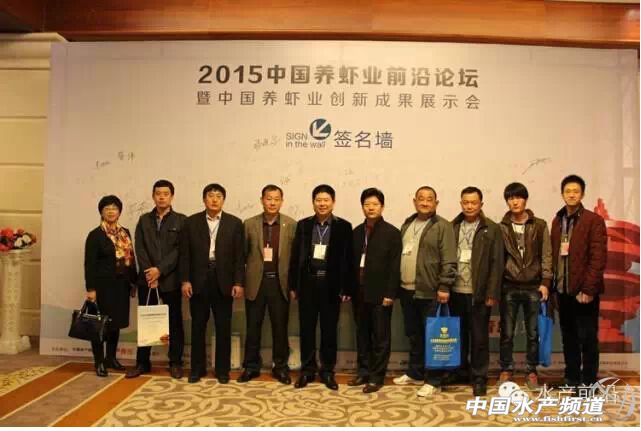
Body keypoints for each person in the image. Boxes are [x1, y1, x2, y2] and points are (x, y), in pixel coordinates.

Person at [393, 186, 457, 397]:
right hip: (407, 289)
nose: (425, 202)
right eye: (421, 198)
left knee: (433, 337)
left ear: (436, 203)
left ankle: (433, 380)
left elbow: (449, 259)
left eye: (430, 199)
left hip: (430, 291)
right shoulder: (407, 224)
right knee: (414, 335)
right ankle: (415, 372)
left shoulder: (443, 226)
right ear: (414, 201)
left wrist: (444, 286)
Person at [289, 184, 354, 390]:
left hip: (331, 285)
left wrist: (346, 288)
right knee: (306, 329)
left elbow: (348, 260)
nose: (322, 204)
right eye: (318, 200)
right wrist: (293, 285)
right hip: (307, 284)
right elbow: (295, 257)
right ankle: (307, 371)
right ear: (313, 203)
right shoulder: (304, 225)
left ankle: (327, 371)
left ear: (333, 203)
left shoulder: (344, 226)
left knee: (329, 330)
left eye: (326, 200)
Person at [179, 183, 245, 384]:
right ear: (204, 199)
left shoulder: (235, 223)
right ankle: (197, 369)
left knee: (223, 326)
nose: (214, 199)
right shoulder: (191, 222)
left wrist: (238, 282)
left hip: (223, 280)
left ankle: (222, 370)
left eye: (218, 196)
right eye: (210, 195)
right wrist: (185, 280)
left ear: (223, 200)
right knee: (198, 326)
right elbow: (184, 255)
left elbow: (239, 256)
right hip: (198, 280)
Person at [126, 180, 187, 379]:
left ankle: (175, 362)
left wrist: (160, 270)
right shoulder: (144, 220)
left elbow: (179, 250)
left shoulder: (181, 220)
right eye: (158, 193)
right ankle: (142, 363)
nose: (162, 197)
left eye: (165, 194)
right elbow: (140, 247)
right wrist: (150, 272)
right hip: (147, 280)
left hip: (170, 280)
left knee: (174, 322)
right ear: (153, 196)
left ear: (172, 196)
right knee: (147, 321)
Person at [551, 175, 607, 387]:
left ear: (582, 194)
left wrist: (588, 289)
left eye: (576, 191)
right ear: (562, 194)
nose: (571, 195)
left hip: (584, 292)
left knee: (588, 339)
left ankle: (589, 382)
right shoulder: (557, 221)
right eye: (568, 191)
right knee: (569, 337)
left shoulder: (593, 220)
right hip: (563, 290)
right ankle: (572, 377)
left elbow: (598, 257)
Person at [237, 185, 297, 385]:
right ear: (262, 200)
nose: (272, 202)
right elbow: (241, 256)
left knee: (280, 329)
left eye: (276, 199)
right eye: (268, 198)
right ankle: (251, 367)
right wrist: (240, 282)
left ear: (282, 201)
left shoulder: (291, 224)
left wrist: (294, 286)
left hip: (280, 284)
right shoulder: (249, 224)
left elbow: (295, 260)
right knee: (253, 327)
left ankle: (280, 367)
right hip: (256, 284)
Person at [450, 186, 504, 396]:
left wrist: (492, 292)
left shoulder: (491, 228)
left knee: (479, 337)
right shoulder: (452, 226)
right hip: (455, 291)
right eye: (466, 202)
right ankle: (461, 371)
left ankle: (479, 376)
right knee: (459, 335)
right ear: (460, 203)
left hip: (479, 293)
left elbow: (496, 263)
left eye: (473, 202)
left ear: (481, 204)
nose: (469, 206)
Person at [498, 182, 552, 391]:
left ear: (525, 199)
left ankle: (531, 371)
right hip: (509, 286)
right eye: (510, 198)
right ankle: (506, 369)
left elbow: (546, 255)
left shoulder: (539, 225)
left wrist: (545, 282)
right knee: (507, 333)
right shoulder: (501, 227)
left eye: (518, 197)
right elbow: (498, 259)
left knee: (533, 333)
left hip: (533, 286)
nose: (515, 201)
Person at [348, 188, 401, 393]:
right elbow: (349, 263)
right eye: (367, 204)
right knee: (362, 334)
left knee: (380, 337)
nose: (371, 208)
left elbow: (395, 267)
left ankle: (377, 377)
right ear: (362, 207)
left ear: (382, 206)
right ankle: (363, 372)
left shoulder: (392, 233)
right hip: (359, 292)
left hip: (381, 294)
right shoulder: (356, 232)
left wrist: (390, 293)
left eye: (375, 204)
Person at [84, 195, 137, 377]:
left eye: (114, 208)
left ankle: (111, 358)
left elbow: (131, 258)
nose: (111, 211)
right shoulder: (95, 235)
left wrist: (133, 282)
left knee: (116, 324)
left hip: (122, 286)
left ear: (119, 211)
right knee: (100, 325)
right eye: (107, 208)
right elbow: (89, 264)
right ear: (101, 212)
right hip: (103, 287)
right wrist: (91, 289)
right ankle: (99, 361)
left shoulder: (125, 232)